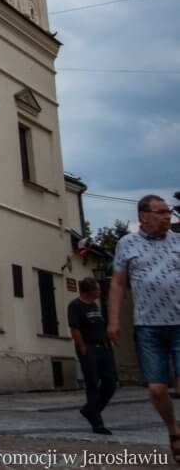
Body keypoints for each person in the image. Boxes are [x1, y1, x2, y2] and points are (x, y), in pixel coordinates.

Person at [107, 194, 180, 464]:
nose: (167, 217)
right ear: (143, 216)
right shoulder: (127, 244)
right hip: (148, 325)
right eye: (160, 212)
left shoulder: (178, 242)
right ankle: (173, 428)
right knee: (157, 390)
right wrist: (114, 320)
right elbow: (117, 284)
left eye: (168, 212)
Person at [68, 276, 115, 435]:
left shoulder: (95, 305)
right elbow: (74, 328)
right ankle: (97, 423)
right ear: (90, 291)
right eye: (98, 289)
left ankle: (90, 410)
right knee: (92, 384)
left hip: (103, 347)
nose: (100, 292)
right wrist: (83, 348)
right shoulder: (75, 305)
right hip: (89, 348)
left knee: (110, 382)